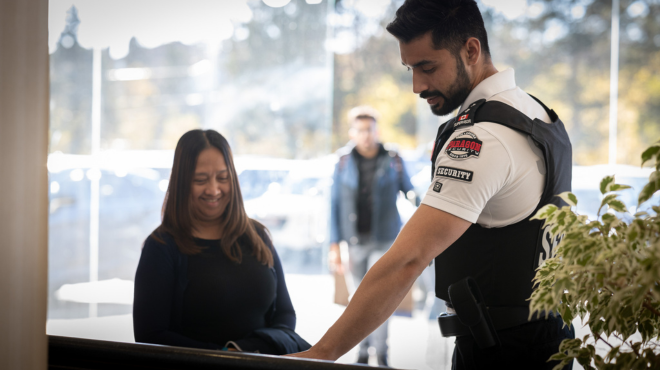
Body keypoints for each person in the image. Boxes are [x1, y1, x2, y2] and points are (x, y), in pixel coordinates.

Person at [288, 0, 575, 369]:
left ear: (471, 50)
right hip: (547, 337)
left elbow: (408, 260)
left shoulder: (481, 139)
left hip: (504, 350)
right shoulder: (536, 111)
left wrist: (319, 355)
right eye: (409, 69)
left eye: (427, 67)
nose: (416, 86)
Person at [133, 129, 310, 355]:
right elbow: (150, 336)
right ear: (182, 182)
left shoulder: (257, 235)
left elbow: (285, 313)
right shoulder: (161, 247)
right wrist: (226, 355)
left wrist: (252, 351)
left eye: (223, 178)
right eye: (200, 180)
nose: (214, 189)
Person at [328, 106, 415, 366]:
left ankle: (382, 353)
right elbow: (333, 204)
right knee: (358, 302)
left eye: (370, 129)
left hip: (385, 240)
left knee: (379, 298)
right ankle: (363, 352)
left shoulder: (392, 158)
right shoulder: (343, 161)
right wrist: (334, 244)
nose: (366, 135)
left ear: (377, 131)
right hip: (354, 241)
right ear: (352, 133)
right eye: (361, 130)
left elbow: (409, 192)